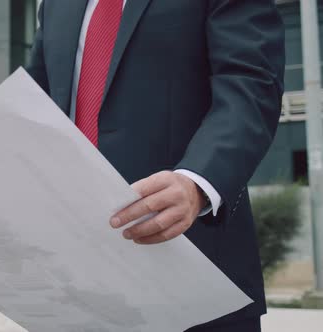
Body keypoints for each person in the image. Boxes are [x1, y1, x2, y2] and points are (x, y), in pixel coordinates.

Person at [26, 0, 285, 331]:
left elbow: (250, 85)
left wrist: (197, 181)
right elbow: (35, 105)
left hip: (192, 275)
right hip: (72, 281)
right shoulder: (55, 6)